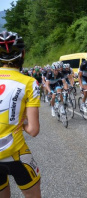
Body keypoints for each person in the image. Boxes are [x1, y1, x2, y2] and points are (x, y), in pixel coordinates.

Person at [0, 31, 41, 197]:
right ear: (23, 54)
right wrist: (21, 123)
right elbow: (33, 130)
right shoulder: (29, 83)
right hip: (14, 153)